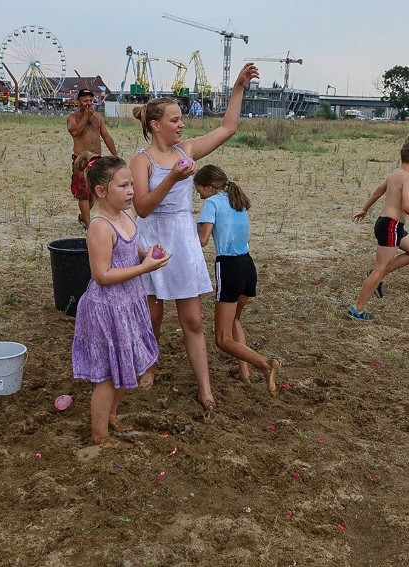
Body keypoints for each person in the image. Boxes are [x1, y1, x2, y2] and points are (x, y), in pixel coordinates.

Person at [130, 63, 260, 411]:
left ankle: (205, 387)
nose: (182, 124)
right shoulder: (140, 161)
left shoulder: (186, 151)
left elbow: (228, 127)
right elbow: (141, 208)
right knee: (153, 315)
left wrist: (238, 88)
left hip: (183, 243)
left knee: (193, 320)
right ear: (156, 125)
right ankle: (149, 366)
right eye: (175, 120)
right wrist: (172, 178)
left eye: (181, 119)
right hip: (152, 242)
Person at [71, 152, 170, 446]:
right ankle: (100, 434)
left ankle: (112, 415)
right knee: (109, 375)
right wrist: (144, 268)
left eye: (132, 185)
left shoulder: (126, 215)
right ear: (101, 192)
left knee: (131, 365)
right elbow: (102, 274)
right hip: (107, 308)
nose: (131, 192)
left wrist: (149, 254)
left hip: (129, 302)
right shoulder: (100, 227)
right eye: (124, 186)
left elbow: (132, 248)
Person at [193, 164, 281, 394]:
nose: (198, 194)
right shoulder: (237, 200)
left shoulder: (211, 203)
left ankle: (264, 364)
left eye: (199, 189)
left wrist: (184, 228)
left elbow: (202, 239)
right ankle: (245, 373)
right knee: (235, 322)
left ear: (209, 187)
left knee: (222, 339)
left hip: (229, 267)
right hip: (247, 266)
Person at [349, 135, 409, 321]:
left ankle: (377, 274)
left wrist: (364, 209)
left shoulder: (395, 173)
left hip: (393, 226)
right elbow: (407, 206)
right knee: (379, 270)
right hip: (390, 226)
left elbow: (377, 191)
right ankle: (357, 309)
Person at [67, 88, 118, 230]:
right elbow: (75, 131)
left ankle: (84, 216)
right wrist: (85, 117)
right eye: (85, 101)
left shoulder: (98, 117)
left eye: (90, 100)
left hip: (96, 159)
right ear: (78, 102)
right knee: (82, 193)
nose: (88, 103)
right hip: (80, 160)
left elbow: (106, 136)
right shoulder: (73, 117)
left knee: (94, 193)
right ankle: (89, 225)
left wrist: (115, 156)